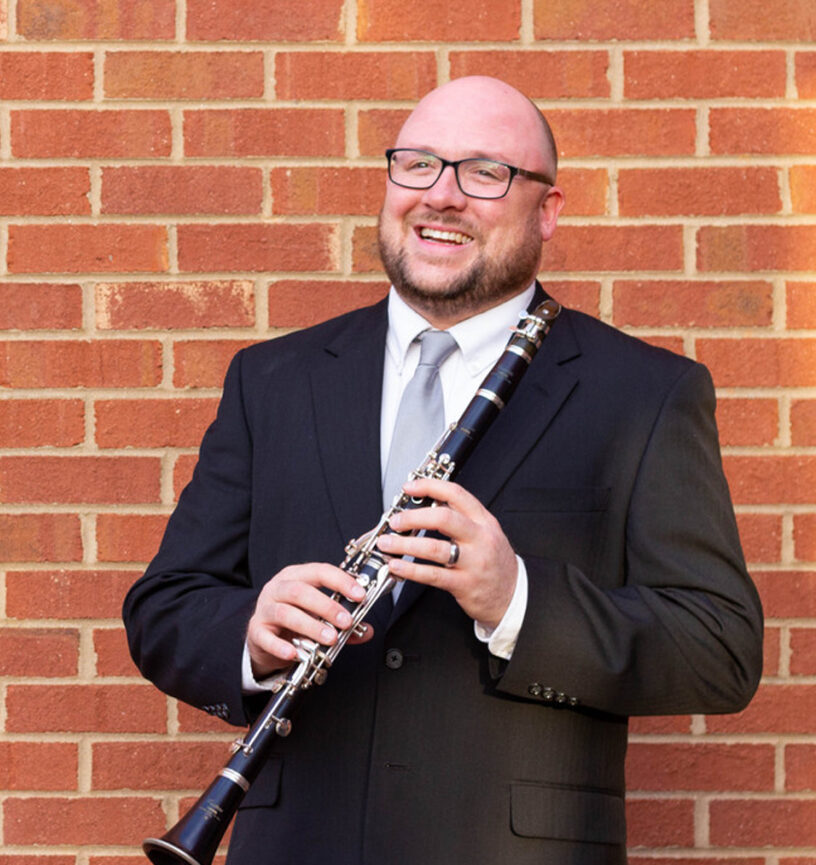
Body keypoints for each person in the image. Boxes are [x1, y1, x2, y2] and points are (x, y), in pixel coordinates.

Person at [123, 76, 763, 865]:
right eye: (418, 164)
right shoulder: (274, 379)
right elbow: (166, 608)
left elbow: (719, 650)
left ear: (548, 210)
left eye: (485, 172)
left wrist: (517, 599)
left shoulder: (644, 394)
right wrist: (251, 635)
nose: (442, 195)